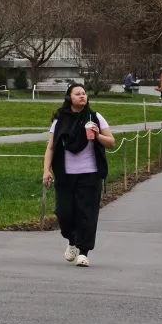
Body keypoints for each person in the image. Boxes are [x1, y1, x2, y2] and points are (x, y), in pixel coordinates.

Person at [43, 83, 116, 266]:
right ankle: (72, 240)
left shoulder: (95, 117)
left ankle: (84, 252)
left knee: (87, 214)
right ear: (69, 97)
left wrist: (97, 135)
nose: (82, 96)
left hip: (90, 174)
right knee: (64, 213)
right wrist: (46, 170)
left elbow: (111, 142)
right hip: (66, 175)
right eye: (78, 94)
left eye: (84, 93)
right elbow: (51, 147)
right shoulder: (60, 120)